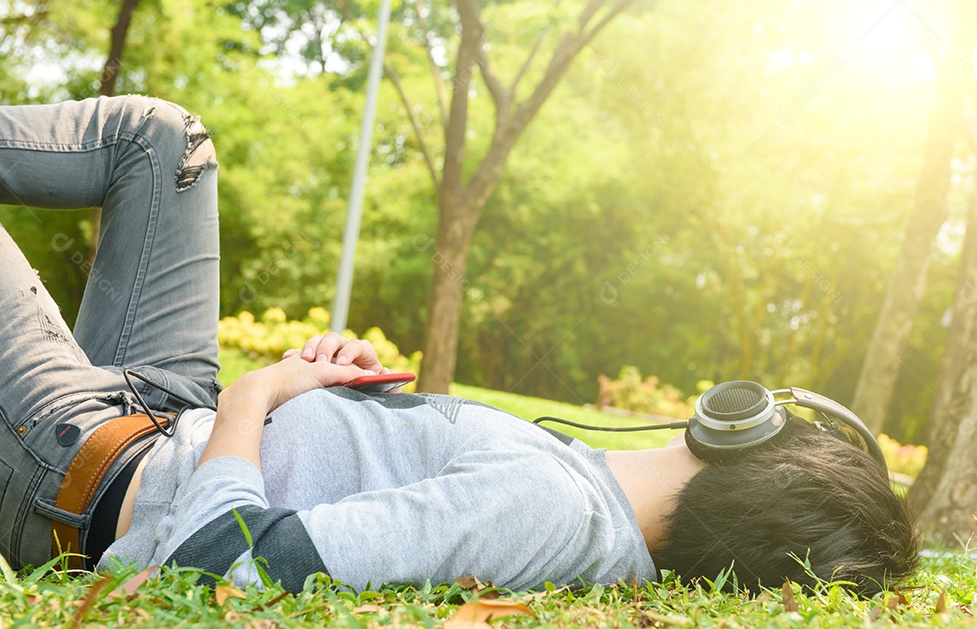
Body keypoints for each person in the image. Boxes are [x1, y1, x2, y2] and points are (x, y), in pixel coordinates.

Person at [0, 95, 918, 596]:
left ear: (742, 434)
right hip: (164, 413)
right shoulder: (577, 482)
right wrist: (334, 399)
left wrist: (258, 396)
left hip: (88, 468)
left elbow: (218, 561)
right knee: (163, 142)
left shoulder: (549, 511)